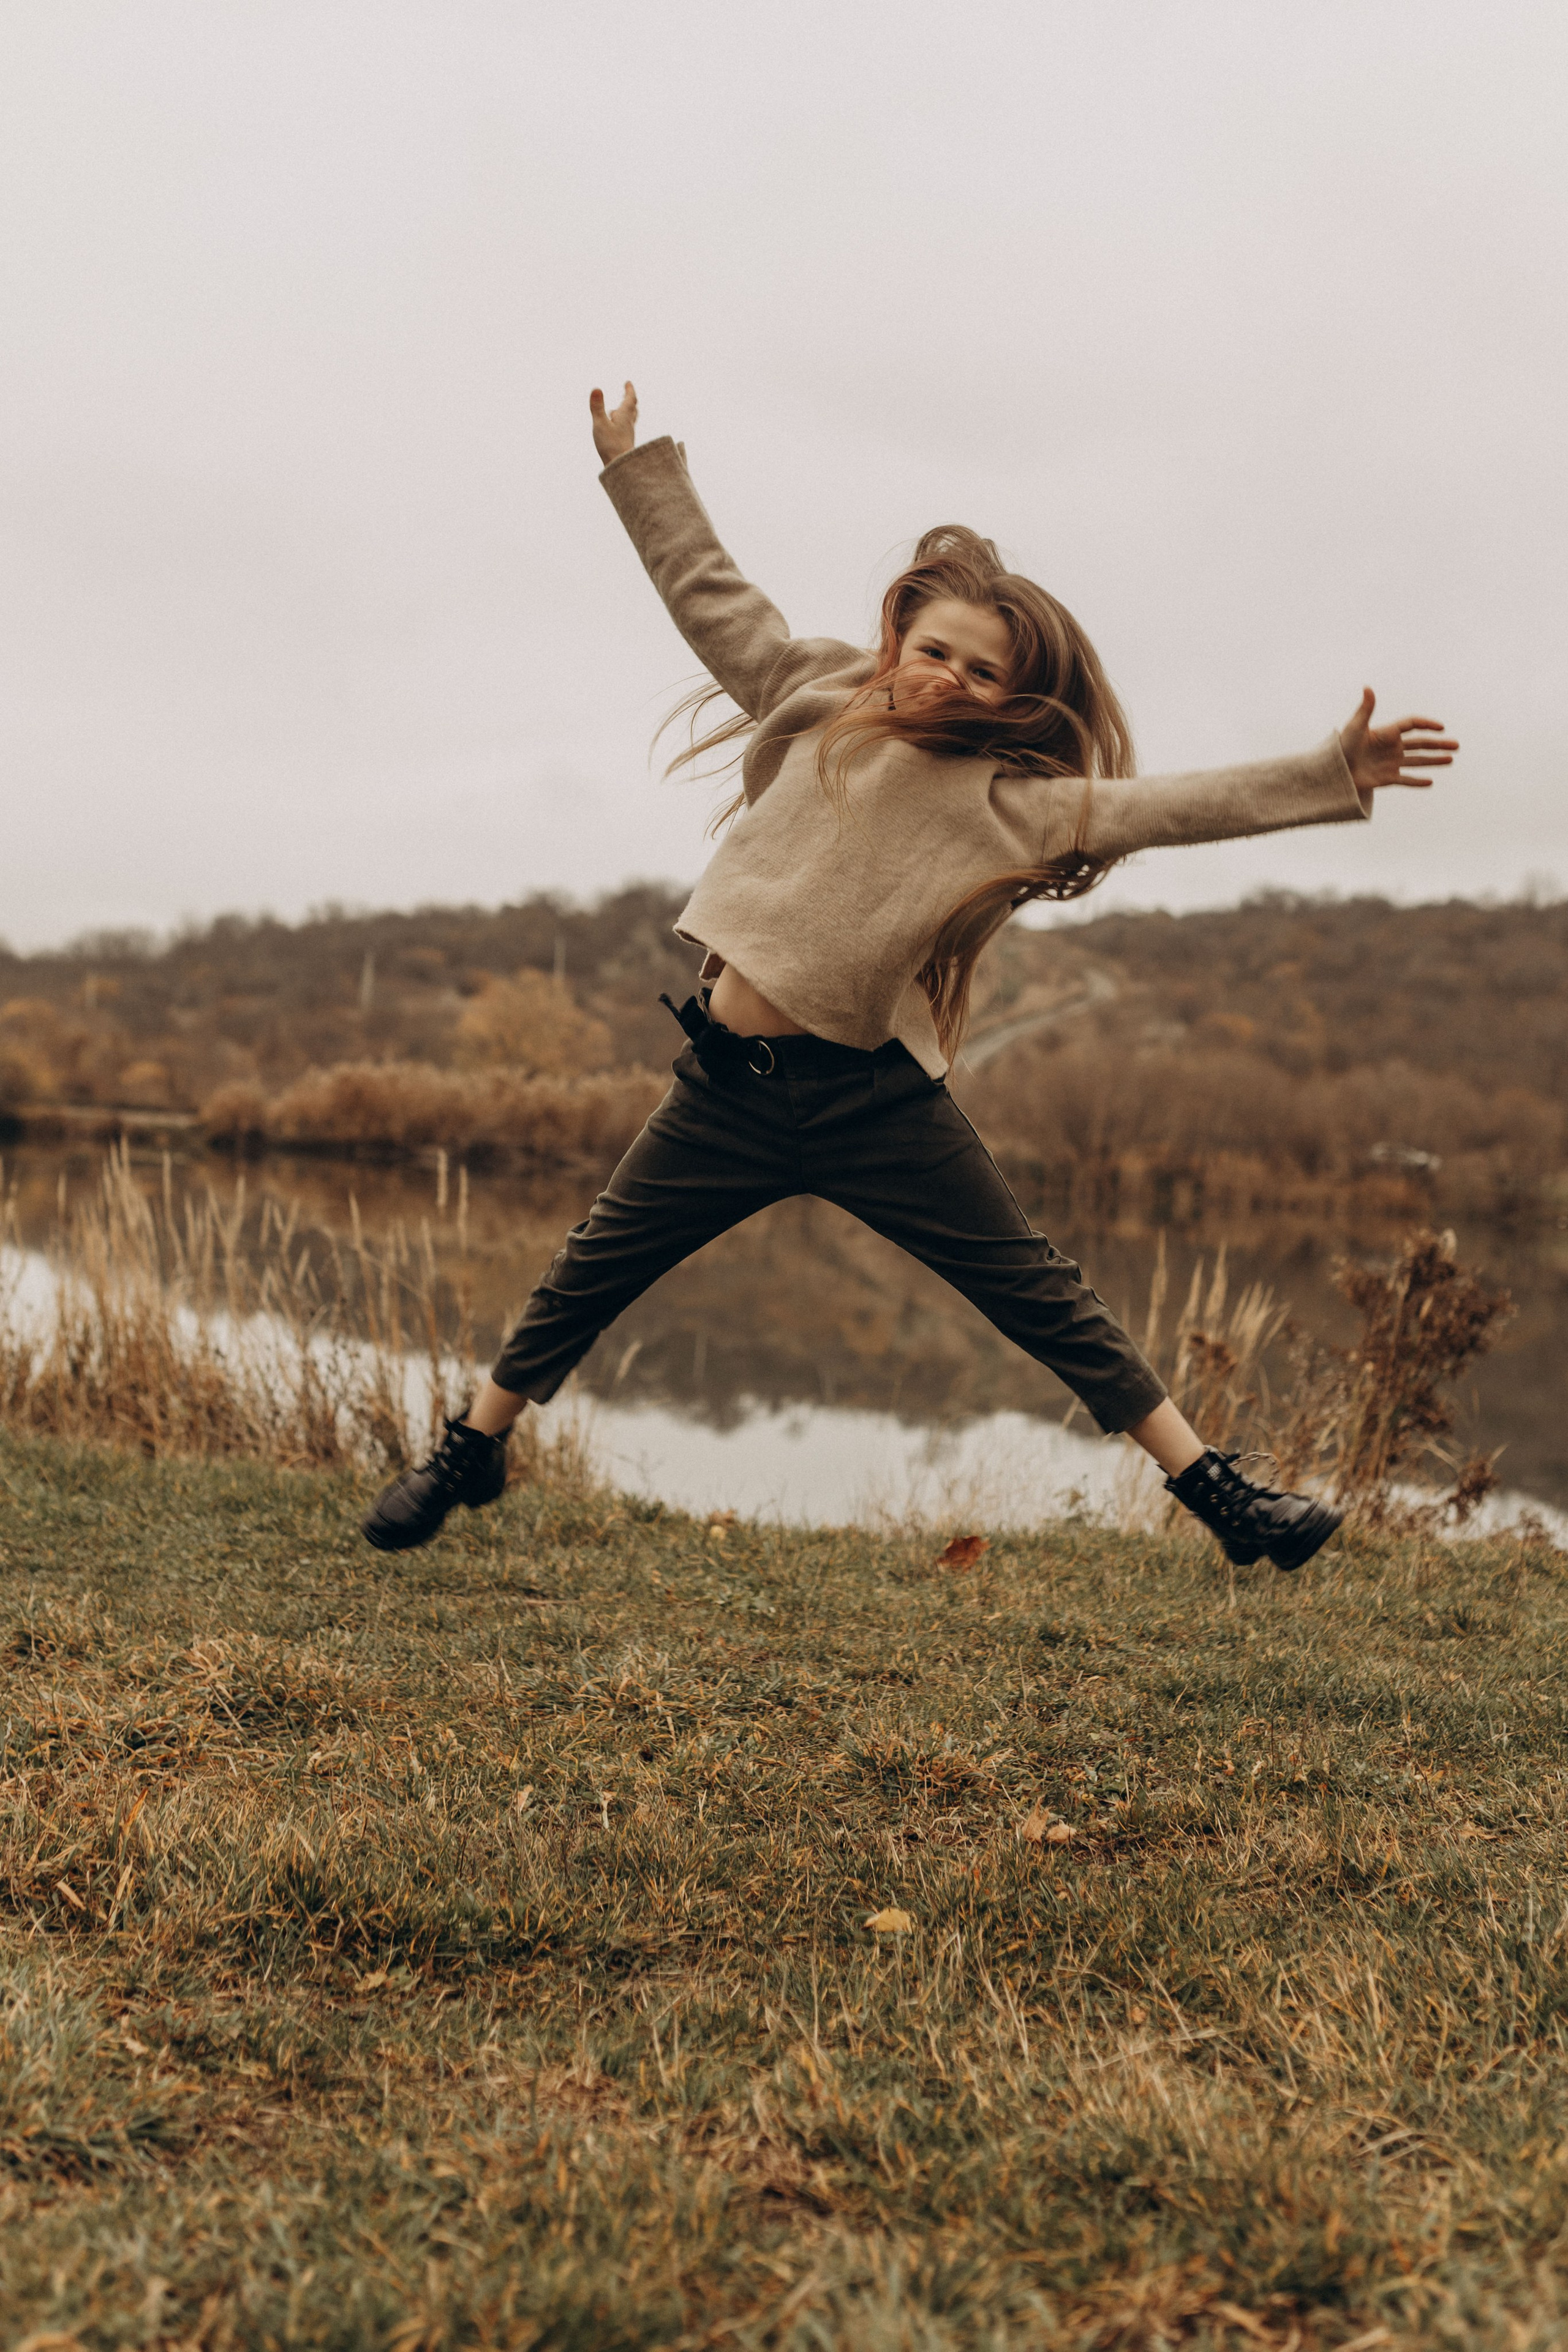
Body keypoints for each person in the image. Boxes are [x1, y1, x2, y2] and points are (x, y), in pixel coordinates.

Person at [363, 380, 1457, 1568]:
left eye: (981, 674)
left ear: (1011, 700)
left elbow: (1160, 808)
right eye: (932, 650)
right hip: (726, 1089)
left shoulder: (1007, 805)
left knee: (1046, 1301)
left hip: (872, 1103)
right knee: (586, 1273)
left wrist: (1325, 772)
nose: (947, 677)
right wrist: (638, 469)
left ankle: (1216, 1494)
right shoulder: (809, 694)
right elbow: (706, 590)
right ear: (896, 643)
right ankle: (472, 1451)